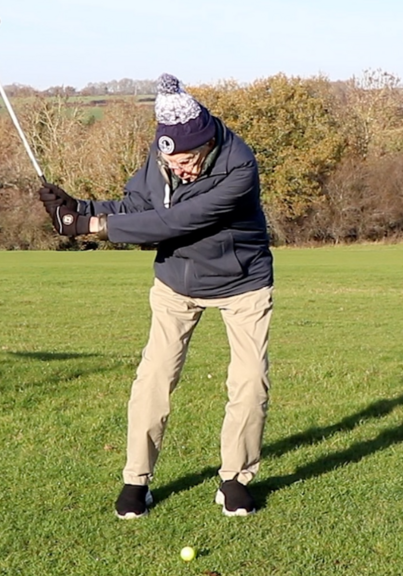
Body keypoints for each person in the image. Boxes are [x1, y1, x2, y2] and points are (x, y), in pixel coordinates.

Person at [37, 73, 274, 519]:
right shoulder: (162, 158)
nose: (181, 170)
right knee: (153, 380)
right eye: (174, 162)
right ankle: (136, 481)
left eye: (188, 161)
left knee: (249, 383)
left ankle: (234, 480)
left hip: (243, 283)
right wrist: (78, 209)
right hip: (177, 283)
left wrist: (91, 228)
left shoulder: (240, 166)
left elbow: (177, 222)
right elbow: (138, 207)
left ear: (208, 144)